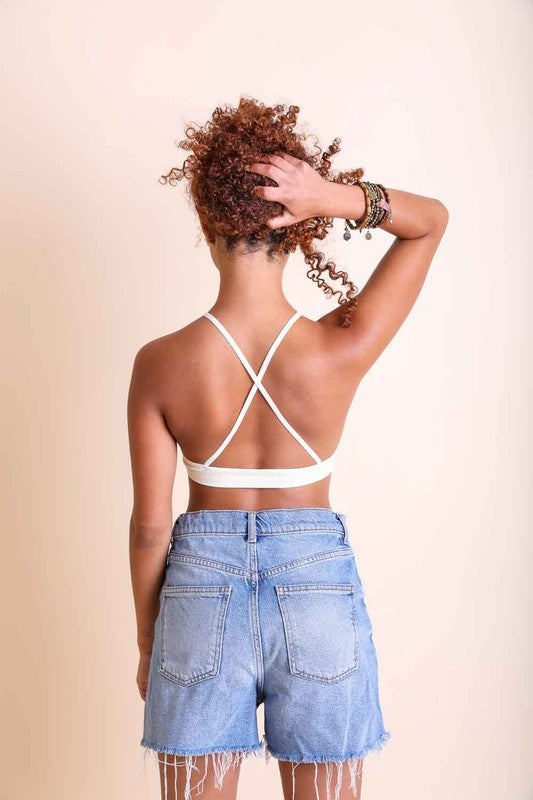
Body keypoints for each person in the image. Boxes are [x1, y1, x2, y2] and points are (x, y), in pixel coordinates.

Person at [127, 97, 449, 800]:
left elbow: (151, 527)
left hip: (197, 588)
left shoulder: (160, 362)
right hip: (315, 583)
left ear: (206, 222)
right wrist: (331, 197)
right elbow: (430, 222)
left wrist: (152, 641)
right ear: (297, 226)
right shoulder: (340, 345)